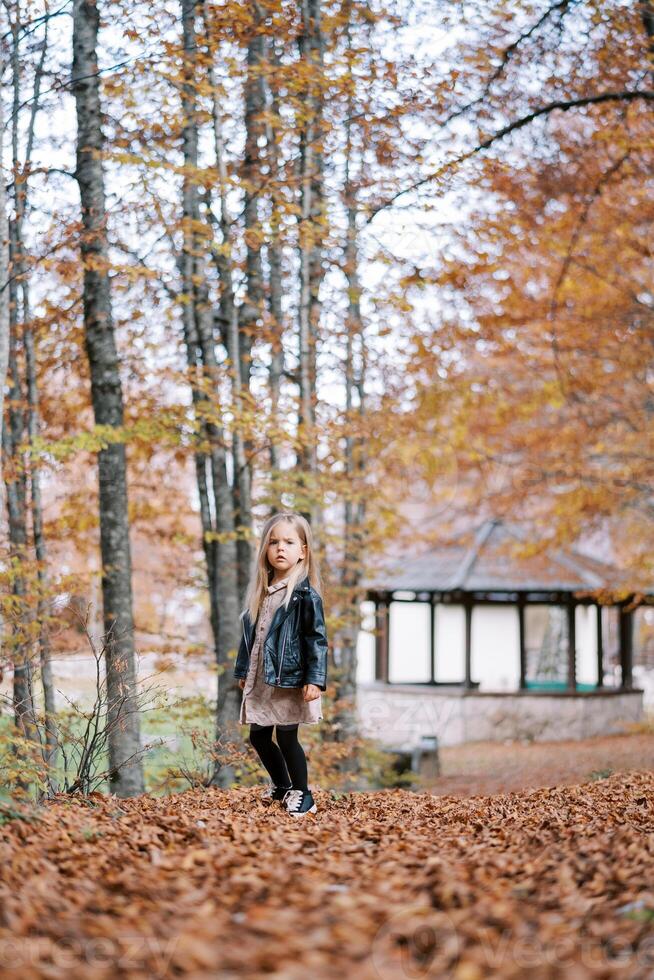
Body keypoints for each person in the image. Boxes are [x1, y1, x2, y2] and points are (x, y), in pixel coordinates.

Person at [233, 511, 328, 816]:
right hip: (262, 677)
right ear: (265, 549)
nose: (280, 548)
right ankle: (282, 786)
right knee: (258, 735)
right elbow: (251, 636)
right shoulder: (260, 593)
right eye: (273, 542)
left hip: (290, 679)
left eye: (289, 542)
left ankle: (303, 793)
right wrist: (242, 670)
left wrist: (314, 678)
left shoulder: (304, 596)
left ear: (303, 552)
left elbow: (316, 639)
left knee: (287, 736)